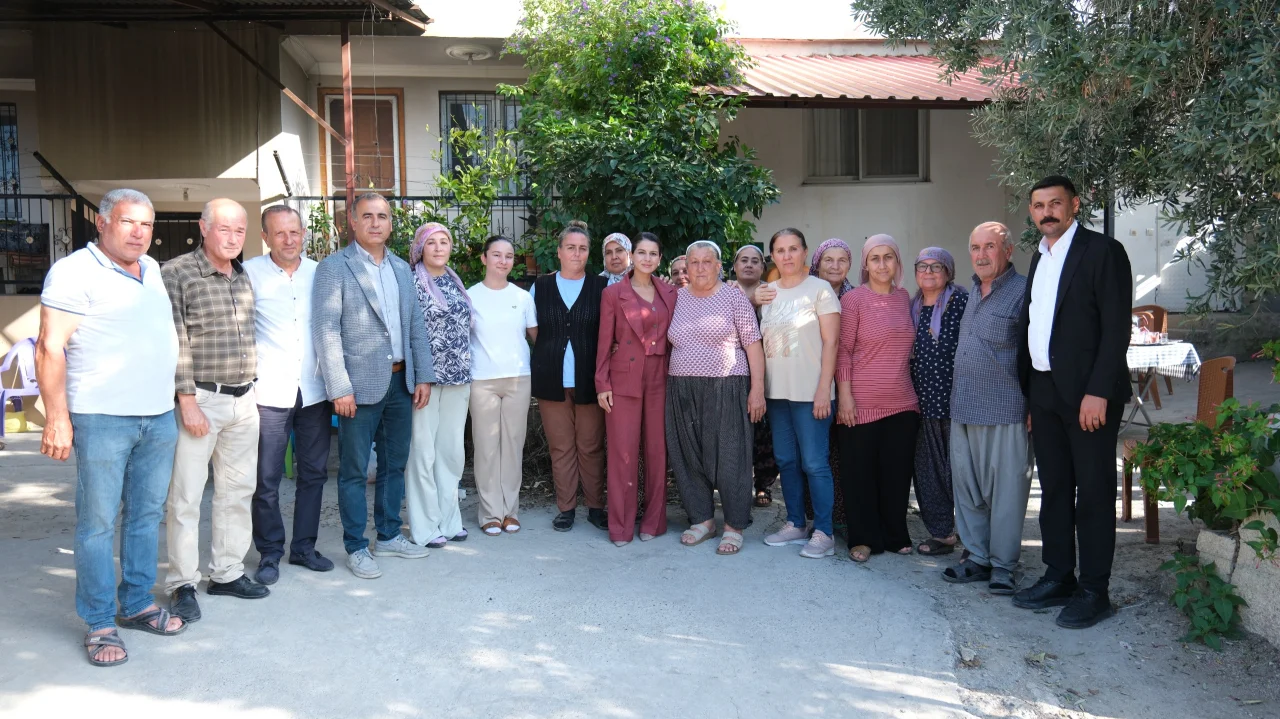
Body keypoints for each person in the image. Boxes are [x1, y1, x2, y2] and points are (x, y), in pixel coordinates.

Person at [37, 188, 185, 666]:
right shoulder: (73, 272)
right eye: (127, 222)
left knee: (145, 516)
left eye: (146, 224)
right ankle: (100, 619)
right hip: (101, 418)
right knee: (97, 523)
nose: (139, 232)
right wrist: (57, 418)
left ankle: (137, 603)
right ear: (102, 223)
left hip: (158, 415)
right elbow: (48, 347)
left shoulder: (153, 270)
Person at [1015, 176, 1132, 628]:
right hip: (1044, 391)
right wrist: (1030, 394)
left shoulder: (1102, 252)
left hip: (1089, 396)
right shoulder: (1039, 256)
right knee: (1056, 491)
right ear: (1032, 212)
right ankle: (1059, 575)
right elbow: (1034, 325)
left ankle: (1094, 590)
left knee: (1094, 493)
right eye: (1039, 205)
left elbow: (1115, 327)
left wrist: (1099, 391)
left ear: (1074, 205)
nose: (1047, 212)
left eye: (1055, 203)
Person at [313, 192, 436, 579]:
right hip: (358, 387)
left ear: (391, 223)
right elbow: (326, 330)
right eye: (367, 216)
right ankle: (356, 545)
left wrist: (423, 376)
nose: (375, 223)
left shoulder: (402, 269)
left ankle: (387, 535)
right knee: (351, 471)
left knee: (394, 464)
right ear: (353, 221)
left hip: (402, 383)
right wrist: (339, 387)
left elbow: (415, 324)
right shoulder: (334, 268)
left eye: (382, 216)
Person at [163, 198, 268, 623]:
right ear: (203, 228)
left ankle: (226, 572)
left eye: (240, 231)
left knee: (237, 491)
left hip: (244, 399)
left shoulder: (241, 276)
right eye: (224, 229)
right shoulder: (177, 273)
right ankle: (182, 582)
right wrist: (186, 399)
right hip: (201, 399)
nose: (232, 237)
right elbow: (176, 340)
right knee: (186, 496)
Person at [243, 206, 333, 586]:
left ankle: (304, 548)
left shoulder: (320, 273)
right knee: (266, 478)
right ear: (265, 236)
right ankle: (269, 553)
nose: (289, 239)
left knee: (314, 473)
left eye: (295, 232)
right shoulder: (248, 273)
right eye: (280, 233)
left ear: (303, 233)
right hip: (268, 390)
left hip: (313, 388)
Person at [944, 222, 1033, 595]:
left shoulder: (1025, 290)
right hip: (963, 407)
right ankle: (977, 558)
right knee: (968, 491)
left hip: (1006, 409)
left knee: (1007, 494)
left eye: (990, 247)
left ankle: (1003, 566)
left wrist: (1035, 405)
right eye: (975, 247)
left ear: (1008, 251)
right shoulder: (970, 294)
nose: (981, 255)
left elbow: (1036, 353)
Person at [666, 241, 767, 556]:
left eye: (706, 261)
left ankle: (734, 525)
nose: (699, 268)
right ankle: (703, 520)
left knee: (731, 456)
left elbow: (753, 344)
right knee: (688, 455)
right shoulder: (676, 297)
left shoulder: (734, 295)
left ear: (719, 265)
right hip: (681, 387)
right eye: (693, 262)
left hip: (728, 384)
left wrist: (757, 389)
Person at [755, 229, 841, 559]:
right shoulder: (768, 293)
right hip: (778, 393)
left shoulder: (819, 290)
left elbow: (832, 342)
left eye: (793, 249)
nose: (787, 255)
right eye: (780, 250)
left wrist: (824, 389)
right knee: (787, 460)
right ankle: (795, 523)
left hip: (811, 393)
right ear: (773, 256)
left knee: (815, 463)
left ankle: (824, 532)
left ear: (805, 253)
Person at [835, 234, 921, 563]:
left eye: (889, 257)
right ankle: (863, 537)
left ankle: (895, 532)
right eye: (875, 258)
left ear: (898, 263)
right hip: (860, 403)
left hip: (903, 404)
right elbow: (842, 351)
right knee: (859, 475)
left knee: (896, 475)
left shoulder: (905, 298)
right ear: (865, 264)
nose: (882, 264)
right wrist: (845, 397)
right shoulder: (854, 300)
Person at [596, 232, 676, 546]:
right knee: (622, 454)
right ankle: (620, 527)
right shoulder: (614, 294)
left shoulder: (670, 292)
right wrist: (602, 382)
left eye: (652, 253)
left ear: (659, 259)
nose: (646, 258)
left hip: (661, 377)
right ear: (633, 256)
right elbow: (604, 342)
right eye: (641, 252)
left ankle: (653, 523)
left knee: (657, 452)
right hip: (623, 378)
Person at [531, 221, 609, 532]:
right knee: (560, 446)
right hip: (551, 379)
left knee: (590, 445)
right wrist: (553, 353)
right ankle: (566, 508)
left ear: (589, 253)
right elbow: (534, 330)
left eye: (583, 248)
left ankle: (595, 506)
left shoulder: (602, 289)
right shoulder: (541, 286)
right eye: (571, 247)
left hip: (590, 380)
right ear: (559, 251)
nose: (577, 253)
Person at [404, 223, 473, 548]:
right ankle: (425, 527)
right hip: (426, 382)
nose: (439, 247)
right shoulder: (411, 281)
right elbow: (409, 334)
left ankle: (449, 519)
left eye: (444, 241)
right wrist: (420, 376)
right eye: (432, 242)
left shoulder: (454, 280)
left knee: (451, 453)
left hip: (459, 379)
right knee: (423, 453)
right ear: (420, 248)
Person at [468, 236, 538, 535]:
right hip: (481, 379)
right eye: (496, 255)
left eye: (509, 256)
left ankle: (510, 511)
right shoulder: (470, 295)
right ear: (484, 259)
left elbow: (536, 337)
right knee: (486, 448)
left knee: (512, 446)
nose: (503, 261)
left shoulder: (522, 297)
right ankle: (489, 513)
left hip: (518, 378)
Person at [909, 247, 969, 557]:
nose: (929, 272)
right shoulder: (913, 306)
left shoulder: (961, 301)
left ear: (948, 272)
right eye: (923, 266)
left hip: (956, 401)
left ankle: (974, 539)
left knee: (961, 472)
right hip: (921, 401)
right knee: (929, 471)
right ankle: (943, 534)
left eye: (937, 266)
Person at [729, 244, 778, 507]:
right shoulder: (723, 291)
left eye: (755, 261)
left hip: (767, 372)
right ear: (734, 266)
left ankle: (764, 485)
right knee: (735, 432)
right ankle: (733, 485)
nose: (749, 265)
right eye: (743, 260)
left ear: (763, 267)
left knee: (764, 432)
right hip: (731, 372)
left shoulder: (773, 293)